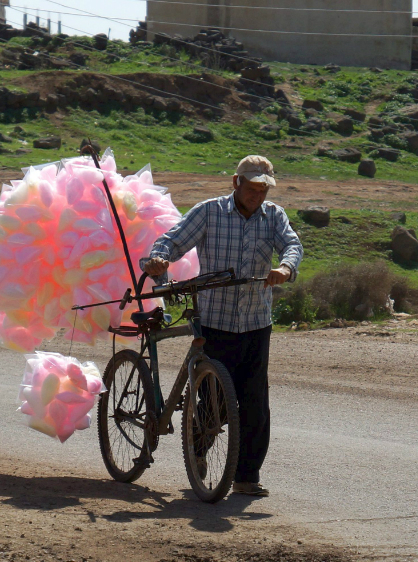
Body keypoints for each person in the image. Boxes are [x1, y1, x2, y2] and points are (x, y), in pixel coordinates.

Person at [143, 155, 303, 497]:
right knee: (214, 402)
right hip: (215, 323)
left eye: (263, 189)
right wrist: (160, 259)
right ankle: (198, 449)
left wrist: (286, 268)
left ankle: (247, 476)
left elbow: (292, 244)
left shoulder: (273, 216)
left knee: (255, 403)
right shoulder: (209, 212)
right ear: (236, 183)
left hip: (256, 322)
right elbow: (170, 241)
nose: (257, 195)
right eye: (252, 188)